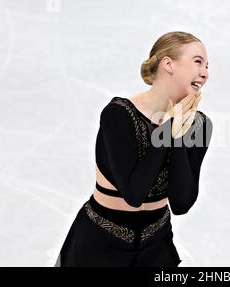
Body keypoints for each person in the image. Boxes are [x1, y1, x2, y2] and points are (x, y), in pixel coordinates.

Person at [55, 31, 212, 267]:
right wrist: (169, 129)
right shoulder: (118, 115)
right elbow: (134, 194)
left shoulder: (199, 125)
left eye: (207, 66)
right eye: (198, 62)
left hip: (156, 246)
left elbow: (181, 203)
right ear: (168, 64)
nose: (205, 73)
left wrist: (178, 135)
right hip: (100, 245)